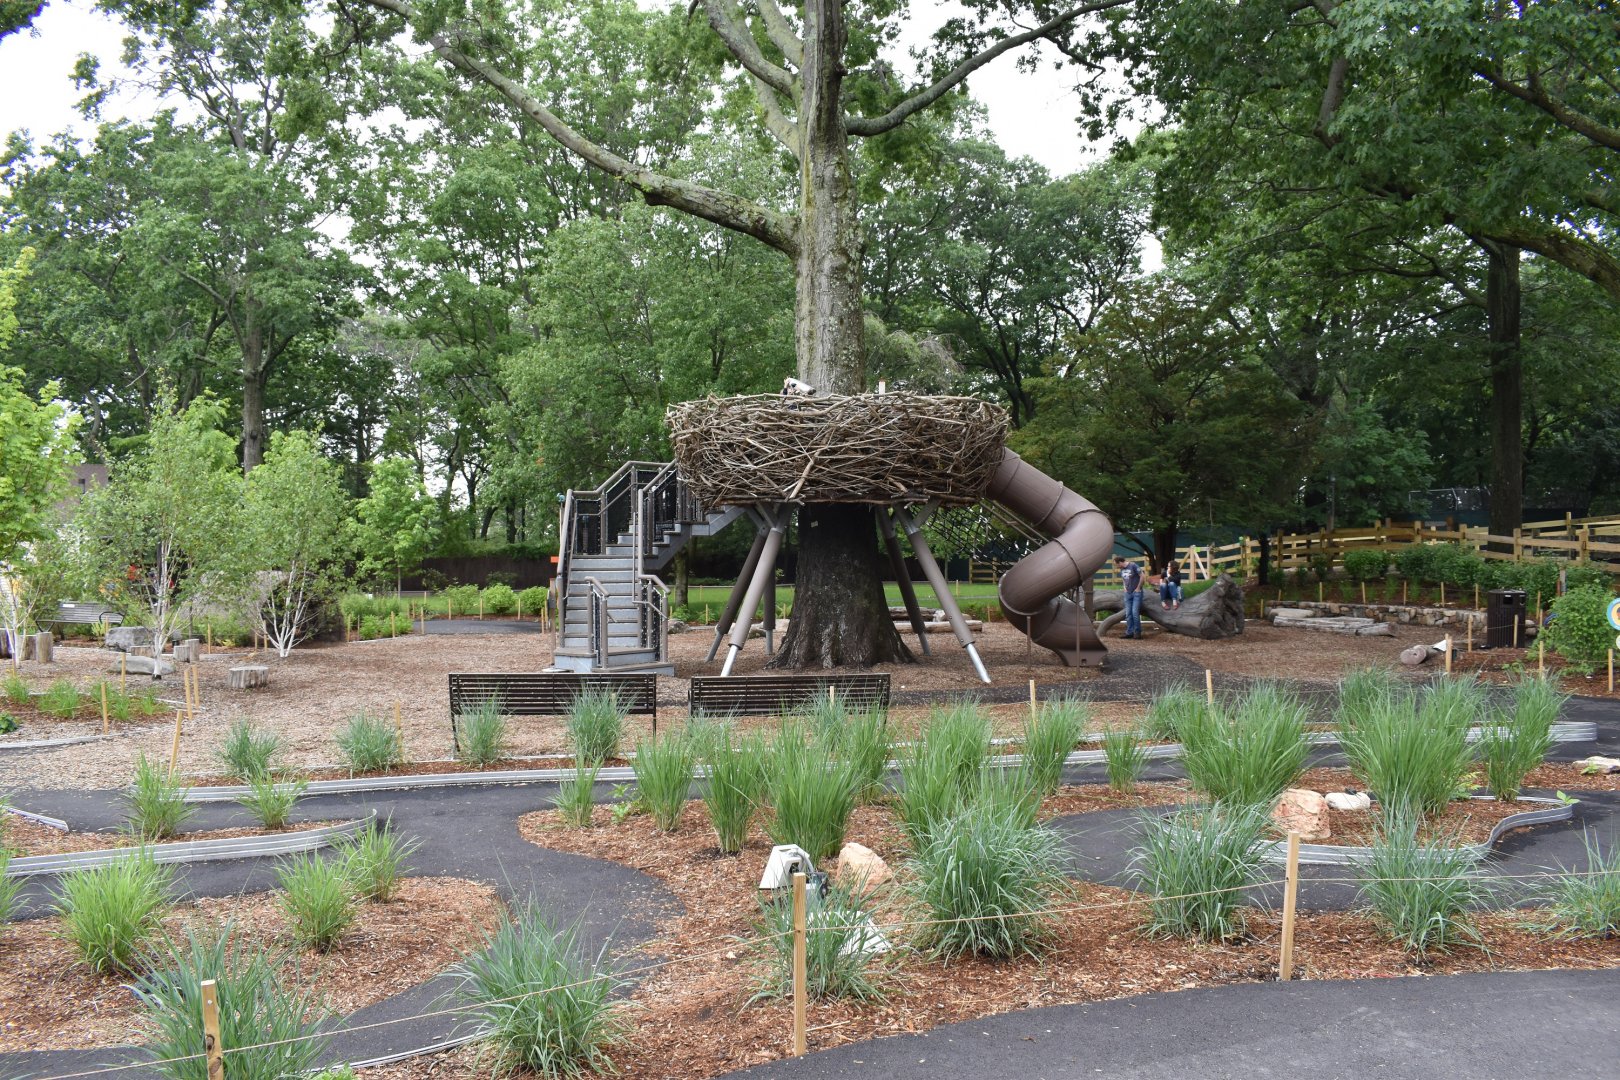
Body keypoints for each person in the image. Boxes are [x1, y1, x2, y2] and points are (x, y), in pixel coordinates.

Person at [1114, 554, 1144, 638]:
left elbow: (1142, 576)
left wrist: (1138, 588)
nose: (1116, 566)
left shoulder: (1133, 566)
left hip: (1136, 593)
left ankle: (1137, 633)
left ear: (1120, 562)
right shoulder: (1122, 569)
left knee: (1135, 612)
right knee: (1128, 613)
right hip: (1128, 593)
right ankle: (1129, 632)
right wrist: (1124, 587)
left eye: (1116, 564)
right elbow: (1124, 579)